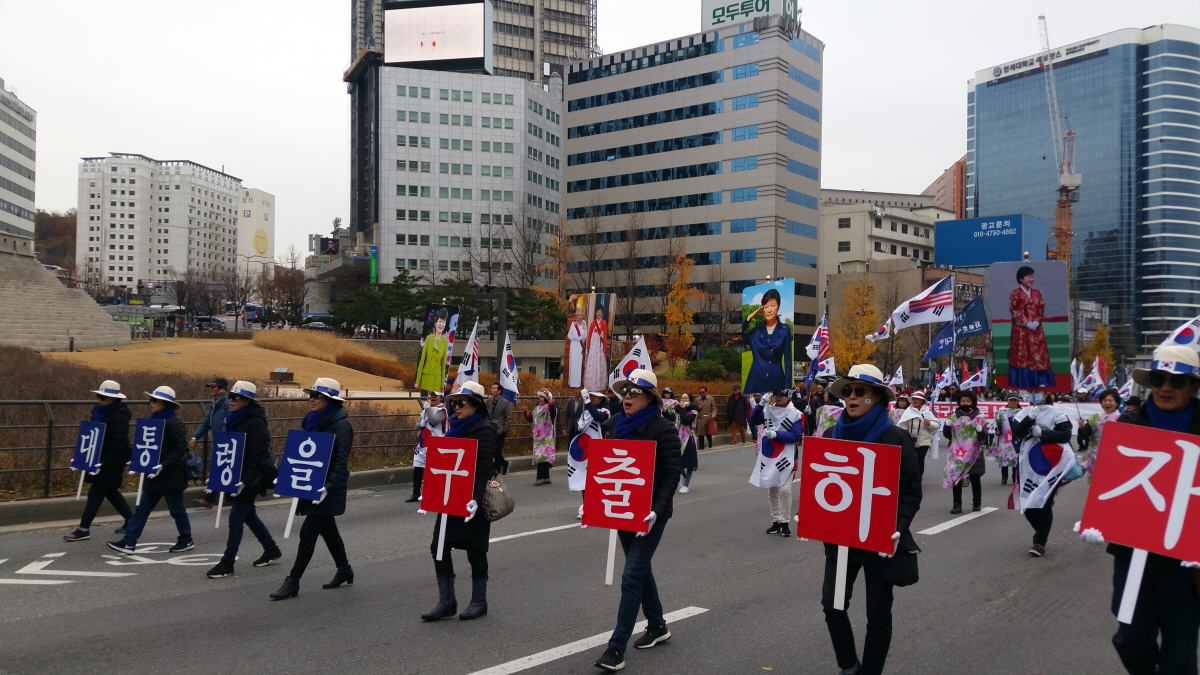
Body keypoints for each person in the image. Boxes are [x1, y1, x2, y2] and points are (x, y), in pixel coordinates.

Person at [1076, 346, 1200, 675]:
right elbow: (1112, 483)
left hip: (1187, 563)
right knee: (1130, 640)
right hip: (1134, 555)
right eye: (1159, 379)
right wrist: (1099, 520)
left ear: (1193, 387)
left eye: (1177, 381)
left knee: (1179, 655)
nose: (1166, 387)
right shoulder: (1129, 424)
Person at [821, 364, 923, 675]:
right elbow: (821, 484)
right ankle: (849, 664)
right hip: (841, 541)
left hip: (880, 542)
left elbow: (910, 493)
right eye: (847, 391)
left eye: (859, 391)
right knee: (833, 606)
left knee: (877, 614)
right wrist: (812, 512)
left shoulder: (897, 438)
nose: (851, 396)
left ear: (876, 397)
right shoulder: (831, 435)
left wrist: (898, 527)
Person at [592, 369, 681, 672]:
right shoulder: (613, 425)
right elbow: (603, 468)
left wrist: (657, 509)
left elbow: (672, 474)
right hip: (623, 509)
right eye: (625, 391)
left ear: (650, 398)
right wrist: (591, 502)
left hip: (650, 515)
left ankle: (616, 648)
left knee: (631, 575)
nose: (627, 397)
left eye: (635, 392)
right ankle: (657, 626)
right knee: (640, 571)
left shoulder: (664, 429)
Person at [421, 380, 501, 622]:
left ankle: (479, 601)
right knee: (438, 547)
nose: (456, 407)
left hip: (471, 501)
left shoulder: (485, 430)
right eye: (455, 402)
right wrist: (430, 492)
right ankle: (446, 601)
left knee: (475, 551)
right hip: (449, 498)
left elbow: (484, 469)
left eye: (462, 402)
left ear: (475, 405)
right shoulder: (453, 428)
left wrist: (475, 499)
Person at [270, 378, 354, 599]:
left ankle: (293, 581)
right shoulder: (311, 422)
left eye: (318, 396)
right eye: (311, 395)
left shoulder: (341, 426)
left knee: (308, 532)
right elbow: (301, 455)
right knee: (328, 530)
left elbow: (340, 461)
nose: (312, 399)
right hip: (311, 483)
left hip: (327, 488)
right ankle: (344, 569)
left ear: (330, 400)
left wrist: (328, 486)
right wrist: (284, 476)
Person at [205, 381, 282, 578]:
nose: (231, 400)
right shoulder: (234, 419)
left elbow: (256, 456)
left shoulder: (255, 423)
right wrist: (218, 474)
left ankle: (227, 563)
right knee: (249, 515)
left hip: (252, 477)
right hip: (239, 475)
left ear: (247, 401)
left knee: (236, 517)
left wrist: (245, 481)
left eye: (237, 398)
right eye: (231, 396)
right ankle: (271, 549)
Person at [106, 386, 193, 555]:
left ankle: (186, 539)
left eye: (155, 400)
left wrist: (163, 465)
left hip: (171, 475)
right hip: (153, 475)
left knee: (177, 510)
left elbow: (181, 448)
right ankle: (128, 542)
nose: (151, 403)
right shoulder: (152, 421)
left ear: (165, 403)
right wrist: (135, 460)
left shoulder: (174, 422)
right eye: (150, 400)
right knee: (142, 509)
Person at [64, 380, 134, 542]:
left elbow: (118, 443)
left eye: (103, 397)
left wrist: (103, 463)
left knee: (96, 492)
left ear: (114, 398)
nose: (99, 400)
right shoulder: (98, 412)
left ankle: (83, 529)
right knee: (110, 492)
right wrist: (82, 457)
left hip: (113, 459)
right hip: (98, 457)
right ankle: (131, 520)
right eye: (98, 396)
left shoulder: (119, 415)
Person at [1009, 392, 1074, 557]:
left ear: (1047, 394)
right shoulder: (1022, 413)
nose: (1037, 394)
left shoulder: (1056, 413)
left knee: (1044, 502)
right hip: (1027, 464)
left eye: (1041, 391)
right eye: (1034, 391)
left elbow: (1065, 434)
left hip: (1051, 463)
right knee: (1028, 503)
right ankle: (1040, 531)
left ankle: (1040, 542)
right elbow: (1017, 432)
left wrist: (1043, 434)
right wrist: (1030, 418)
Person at [749, 390, 804, 537]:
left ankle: (785, 522)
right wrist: (761, 404)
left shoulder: (795, 414)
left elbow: (796, 435)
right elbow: (754, 419)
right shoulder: (768, 410)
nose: (778, 398)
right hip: (769, 456)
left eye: (782, 395)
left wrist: (777, 434)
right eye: (776, 395)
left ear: (788, 396)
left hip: (787, 456)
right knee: (772, 490)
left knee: (785, 490)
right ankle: (776, 521)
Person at [1007, 266, 1054, 389]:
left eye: (1032, 277)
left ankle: (1042, 380)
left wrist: (1037, 321)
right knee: (1022, 354)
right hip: (1021, 330)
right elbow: (1015, 310)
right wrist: (1027, 323)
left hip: (1036, 330)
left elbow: (1041, 308)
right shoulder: (1016, 293)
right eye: (1029, 277)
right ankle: (1023, 381)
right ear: (1021, 278)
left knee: (1039, 353)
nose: (1031, 279)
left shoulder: (1037, 293)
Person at [943, 390, 986, 514]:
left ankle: (977, 502)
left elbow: (985, 437)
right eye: (963, 401)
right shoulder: (953, 416)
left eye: (968, 401)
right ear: (959, 402)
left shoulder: (979, 417)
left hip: (974, 453)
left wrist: (981, 431)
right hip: (957, 453)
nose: (965, 403)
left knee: (975, 478)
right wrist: (947, 426)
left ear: (973, 402)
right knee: (956, 478)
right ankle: (957, 504)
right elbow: (948, 436)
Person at [743, 288, 793, 394]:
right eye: (766, 307)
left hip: (776, 380)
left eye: (773, 305)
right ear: (762, 309)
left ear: (778, 308)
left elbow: (788, 361)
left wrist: (787, 387)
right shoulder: (755, 332)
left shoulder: (784, 330)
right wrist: (748, 319)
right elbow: (739, 337)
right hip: (755, 381)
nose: (769, 310)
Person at [192, 377, 229, 509]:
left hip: (225, 441)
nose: (211, 389)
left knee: (218, 467)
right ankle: (231, 498)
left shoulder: (227, 402)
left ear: (222, 388)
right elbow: (207, 421)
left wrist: (225, 437)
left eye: (214, 387)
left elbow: (230, 421)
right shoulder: (214, 403)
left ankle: (208, 499)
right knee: (225, 467)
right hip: (219, 440)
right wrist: (195, 437)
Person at [409, 391, 447, 503]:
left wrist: (428, 409)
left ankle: (432, 493)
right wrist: (421, 424)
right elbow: (416, 425)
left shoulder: (442, 410)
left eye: (436, 396)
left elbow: (434, 421)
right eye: (432, 395)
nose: (432, 397)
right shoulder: (426, 409)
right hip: (422, 444)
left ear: (441, 398)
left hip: (434, 443)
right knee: (417, 467)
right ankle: (416, 493)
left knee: (432, 469)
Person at [1077, 388, 1122, 479]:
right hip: (1094, 456)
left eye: (1110, 400)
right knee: (1093, 482)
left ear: (1117, 403)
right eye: (1104, 400)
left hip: (1114, 456)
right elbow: (1085, 435)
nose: (1107, 403)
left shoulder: (1122, 419)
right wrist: (1082, 428)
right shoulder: (1096, 417)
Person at [894, 391, 938, 479]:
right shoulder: (908, 411)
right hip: (910, 440)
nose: (915, 400)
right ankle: (910, 477)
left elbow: (936, 425)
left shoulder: (928, 411)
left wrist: (929, 423)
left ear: (922, 401)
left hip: (924, 440)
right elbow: (902, 424)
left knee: (920, 460)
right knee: (910, 460)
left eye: (917, 399)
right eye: (913, 399)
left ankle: (918, 478)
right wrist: (906, 435)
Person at [524, 389, 558, 485]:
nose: (540, 398)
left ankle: (539, 478)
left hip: (547, 437)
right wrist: (526, 412)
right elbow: (532, 419)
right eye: (540, 396)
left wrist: (548, 396)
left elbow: (552, 409)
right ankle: (546, 477)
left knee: (541, 457)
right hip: (538, 438)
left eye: (542, 397)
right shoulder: (537, 408)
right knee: (543, 457)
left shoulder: (550, 408)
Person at [415, 308, 450, 393]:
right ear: (436, 322)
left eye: (444, 322)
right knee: (424, 398)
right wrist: (417, 381)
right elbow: (422, 360)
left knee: (435, 399)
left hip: (436, 378)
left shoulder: (445, 341)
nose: (441, 324)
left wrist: (442, 385)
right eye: (440, 321)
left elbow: (443, 365)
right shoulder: (429, 338)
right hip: (426, 376)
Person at [991, 394, 1022, 485]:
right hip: (1004, 438)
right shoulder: (1000, 412)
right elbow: (997, 423)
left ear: (1018, 401)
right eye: (1011, 400)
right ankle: (1004, 476)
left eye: (1015, 400)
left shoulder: (1022, 412)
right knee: (1004, 457)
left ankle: (1014, 477)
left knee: (1015, 457)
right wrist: (997, 431)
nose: (1013, 402)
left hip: (1017, 438)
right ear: (1007, 401)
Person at [673, 392, 699, 493]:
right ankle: (683, 476)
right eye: (682, 398)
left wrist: (683, 409)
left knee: (689, 463)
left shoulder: (693, 411)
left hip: (689, 438)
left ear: (690, 400)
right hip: (678, 437)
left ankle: (686, 485)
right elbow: (671, 418)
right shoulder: (678, 409)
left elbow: (685, 420)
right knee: (677, 461)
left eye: (685, 398)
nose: (683, 400)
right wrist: (665, 412)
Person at [584, 306, 610, 391]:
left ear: (602, 313)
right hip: (593, 344)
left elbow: (605, 335)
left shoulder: (604, 322)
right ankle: (590, 383)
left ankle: (600, 384)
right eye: (597, 312)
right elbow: (589, 335)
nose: (599, 313)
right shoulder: (593, 323)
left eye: (600, 312)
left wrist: (604, 346)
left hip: (600, 344)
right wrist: (588, 346)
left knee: (600, 361)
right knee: (592, 360)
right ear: (595, 313)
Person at [486, 383, 513, 464]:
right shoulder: (489, 401)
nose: (492, 390)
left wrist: (505, 429)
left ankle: (498, 467)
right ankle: (503, 464)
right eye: (491, 388)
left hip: (500, 429)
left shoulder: (505, 402)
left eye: (494, 388)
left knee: (497, 449)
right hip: (490, 429)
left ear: (499, 391)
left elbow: (508, 417)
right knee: (492, 449)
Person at [566, 305, 587, 388]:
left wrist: (582, 338)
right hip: (574, 346)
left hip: (580, 346)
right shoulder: (573, 324)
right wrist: (575, 338)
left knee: (578, 365)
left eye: (581, 315)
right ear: (576, 316)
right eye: (578, 315)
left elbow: (586, 334)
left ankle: (577, 384)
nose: (580, 317)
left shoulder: (584, 323)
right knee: (573, 364)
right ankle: (572, 383)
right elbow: (569, 335)